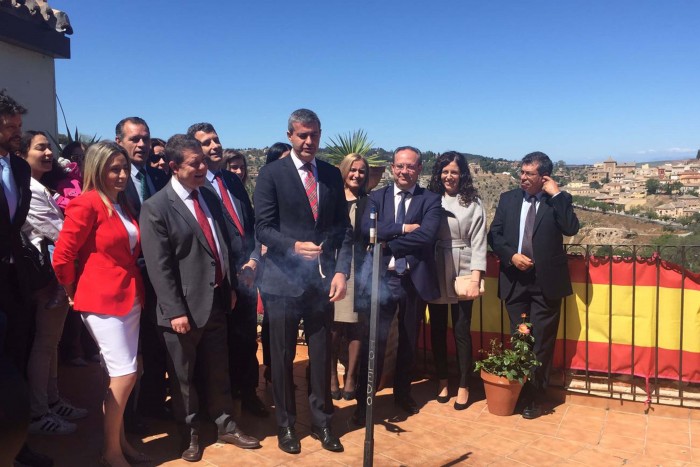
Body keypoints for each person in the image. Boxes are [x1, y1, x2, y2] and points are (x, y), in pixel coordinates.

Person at [140, 134, 260, 462]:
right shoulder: (156, 207)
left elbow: (221, 245)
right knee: (183, 378)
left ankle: (224, 422)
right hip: (180, 312)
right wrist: (174, 310)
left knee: (218, 369)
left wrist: (231, 287)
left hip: (217, 302)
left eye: (203, 162)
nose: (203, 167)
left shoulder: (206, 194)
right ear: (175, 167)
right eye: (196, 163)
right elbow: (159, 266)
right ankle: (189, 432)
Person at [254, 109, 352, 454]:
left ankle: (323, 422)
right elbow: (262, 228)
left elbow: (344, 229)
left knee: (322, 354)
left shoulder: (328, 174)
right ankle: (285, 425)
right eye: (302, 135)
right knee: (280, 357)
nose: (309, 141)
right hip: (281, 282)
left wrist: (342, 271)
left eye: (315, 134)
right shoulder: (271, 174)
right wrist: (293, 246)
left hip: (321, 283)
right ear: (291, 135)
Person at [53, 141, 148, 467]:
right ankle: (111, 452)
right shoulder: (87, 203)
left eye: (124, 168)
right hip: (103, 301)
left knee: (122, 375)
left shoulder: (118, 205)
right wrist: (71, 288)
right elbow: (62, 255)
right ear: (98, 169)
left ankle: (119, 444)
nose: (122, 175)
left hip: (129, 298)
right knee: (124, 376)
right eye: (114, 169)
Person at [488, 151, 580, 419]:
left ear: (544, 177)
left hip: (546, 283)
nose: (522, 178)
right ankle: (517, 390)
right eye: (522, 172)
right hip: (515, 280)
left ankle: (535, 397)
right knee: (520, 339)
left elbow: (571, 228)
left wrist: (558, 194)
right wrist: (511, 256)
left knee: (541, 342)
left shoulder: (557, 201)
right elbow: (494, 234)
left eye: (529, 174)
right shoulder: (508, 199)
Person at [354, 146, 442, 425]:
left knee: (407, 342)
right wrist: (404, 229)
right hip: (381, 279)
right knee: (373, 341)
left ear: (419, 169)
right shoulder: (376, 198)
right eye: (400, 166)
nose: (405, 171)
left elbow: (427, 236)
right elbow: (367, 232)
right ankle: (363, 401)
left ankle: (402, 394)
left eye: (411, 166)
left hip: (412, 281)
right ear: (392, 167)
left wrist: (387, 242)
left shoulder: (430, 200)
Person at [187, 123, 267, 418]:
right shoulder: (194, 186)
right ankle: (217, 405)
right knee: (218, 348)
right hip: (219, 281)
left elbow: (252, 224)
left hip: (247, 275)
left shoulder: (232, 181)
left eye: (216, 140)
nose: (214, 146)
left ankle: (247, 394)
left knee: (246, 341)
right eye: (206, 142)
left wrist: (255, 259)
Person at [19, 131, 87, 435]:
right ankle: (38, 411)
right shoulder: (29, 190)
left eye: (49, 148)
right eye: (41, 148)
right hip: (47, 278)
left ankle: (53, 400)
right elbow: (57, 231)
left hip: (58, 275)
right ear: (23, 154)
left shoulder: (39, 186)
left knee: (52, 342)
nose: (48, 153)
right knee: (44, 344)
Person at [0, 89, 54, 467]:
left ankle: (16, 444)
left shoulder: (18, 168)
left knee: (15, 359)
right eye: (8, 127)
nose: (15, 132)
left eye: (18, 126)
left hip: (12, 280)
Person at [115, 117, 169, 426]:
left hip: (158, 277)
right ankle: (128, 416)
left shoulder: (158, 178)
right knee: (132, 351)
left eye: (145, 139)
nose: (141, 144)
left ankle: (151, 404)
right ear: (119, 141)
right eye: (134, 138)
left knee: (155, 343)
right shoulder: (114, 180)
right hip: (128, 279)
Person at [426, 151, 487, 410]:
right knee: (437, 330)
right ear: (439, 174)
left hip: (463, 267)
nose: (449, 176)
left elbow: (479, 242)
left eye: (454, 171)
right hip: (436, 266)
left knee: (462, 330)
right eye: (445, 171)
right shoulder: (430, 200)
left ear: (462, 174)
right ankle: (442, 380)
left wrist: (475, 279)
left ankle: (464, 384)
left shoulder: (473, 203)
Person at [329, 153, 370, 401]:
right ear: (344, 171)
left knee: (356, 325)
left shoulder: (369, 202)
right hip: (332, 265)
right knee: (333, 325)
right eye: (353, 170)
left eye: (362, 171)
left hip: (359, 266)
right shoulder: (331, 199)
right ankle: (332, 374)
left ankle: (352, 377)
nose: (356, 175)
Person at [258, 141, 292, 384]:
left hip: (302, 271)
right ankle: (272, 367)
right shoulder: (268, 186)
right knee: (273, 322)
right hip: (274, 267)